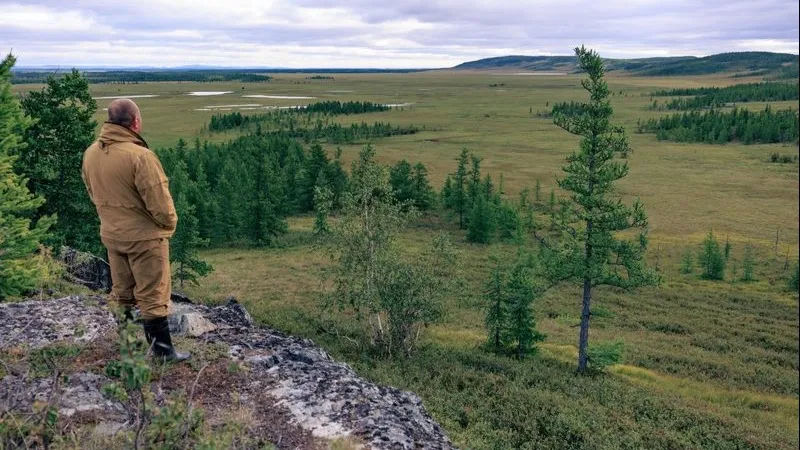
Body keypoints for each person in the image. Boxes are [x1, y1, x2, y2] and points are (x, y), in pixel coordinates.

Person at [82, 98, 189, 363]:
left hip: (112, 235)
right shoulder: (140, 157)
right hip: (145, 238)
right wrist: (167, 226)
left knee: (123, 293)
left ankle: (129, 350)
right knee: (153, 294)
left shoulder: (91, 153)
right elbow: (161, 204)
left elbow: (92, 193)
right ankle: (163, 353)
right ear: (135, 122)